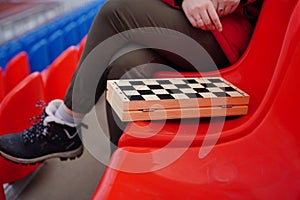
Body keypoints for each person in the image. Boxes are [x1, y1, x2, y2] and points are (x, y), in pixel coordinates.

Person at [0, 0, 263, 164]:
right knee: (125, 66)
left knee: (114, 11)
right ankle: (124, 168)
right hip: (192, 24)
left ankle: (65, 123)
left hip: (227, 35)